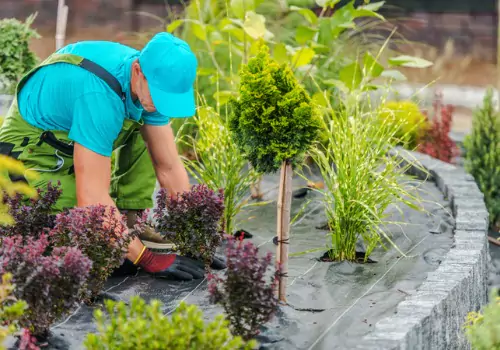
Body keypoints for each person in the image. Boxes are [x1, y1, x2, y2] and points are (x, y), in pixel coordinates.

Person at [0, 32, 225, 281]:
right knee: (106, 259)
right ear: (138, 70)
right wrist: (146, 259)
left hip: (69, 141)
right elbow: (92, 198)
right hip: (28, 155)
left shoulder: (148, 85)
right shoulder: (99, 96)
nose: (162, 105)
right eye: (160, 96)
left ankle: (131, 220)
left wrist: (195, 240)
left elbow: (169, 167)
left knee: (150, 130)